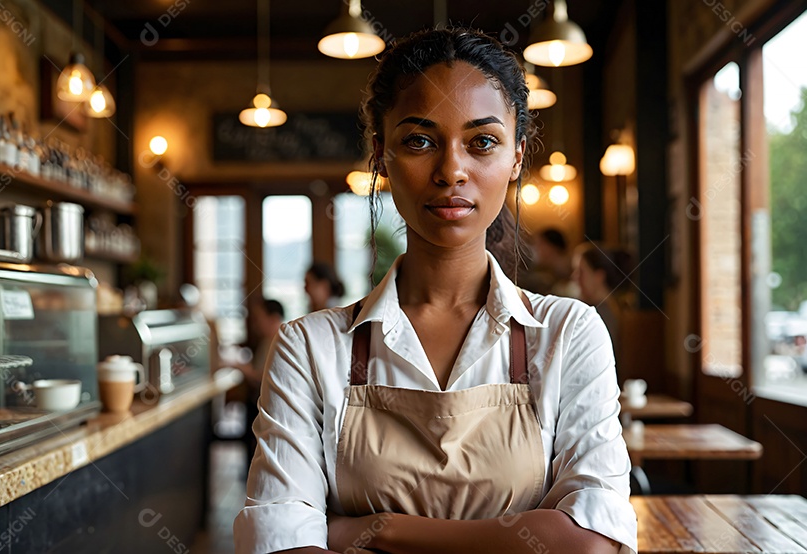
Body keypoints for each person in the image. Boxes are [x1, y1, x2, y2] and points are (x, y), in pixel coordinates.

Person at [234, 27, 635, 554]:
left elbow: (591, 543)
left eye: (482, 142)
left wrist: (382, 530)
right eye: (419, 141)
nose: (451, 171)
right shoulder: (309, 348)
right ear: (382, 156)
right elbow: (278, 542)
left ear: (516, 158)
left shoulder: (568, 333)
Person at [236, 298, 286, 469]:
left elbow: (263, 378)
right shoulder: (267, 340)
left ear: (273, 317)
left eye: (259, 318)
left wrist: (240, 367)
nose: (256, 324)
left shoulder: (279, 341)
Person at [574, 244, 633, 355]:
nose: (574, 277)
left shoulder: (602, 315)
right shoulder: (603, 309)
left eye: (581, 272)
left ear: (599, 276)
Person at [525, 228, 580, 298]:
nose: (534, 249)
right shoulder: (550, 275)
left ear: (549, 246)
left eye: (538, 244)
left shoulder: (575, 267)